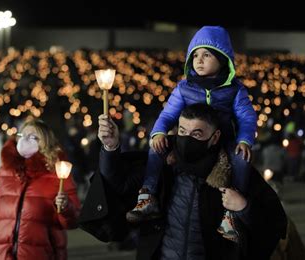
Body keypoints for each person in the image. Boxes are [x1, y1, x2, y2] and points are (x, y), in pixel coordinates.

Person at [79, 104, 286, 259]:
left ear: (215, 137)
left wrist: (244, 207)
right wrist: (111, 148)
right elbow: (118, 183)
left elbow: (271, 225)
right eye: (183, 132)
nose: (186, 140)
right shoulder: (162, 167)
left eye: (197, 134)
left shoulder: (235, 175)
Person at [128, 26, 257, 222]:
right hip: (187, 138)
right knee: (155, 148)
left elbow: (246, 117)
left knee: (241, 159)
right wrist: (159, 133)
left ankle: (231, 212)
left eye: (207, 55)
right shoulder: (183, 87)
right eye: (195, 55)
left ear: (222, 59)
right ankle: (147, 195)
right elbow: (168, 114)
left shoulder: (234, 90)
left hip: (221, 141)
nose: (199, 60)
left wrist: (245, 140)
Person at [0, 119, 80, 260]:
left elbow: (73, 220)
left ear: (45, 142)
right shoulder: (4, 172)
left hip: (39, 253)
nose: (25, 140)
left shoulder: (58, 174)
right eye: (22, 135)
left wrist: (65, 207)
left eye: (33, 137)